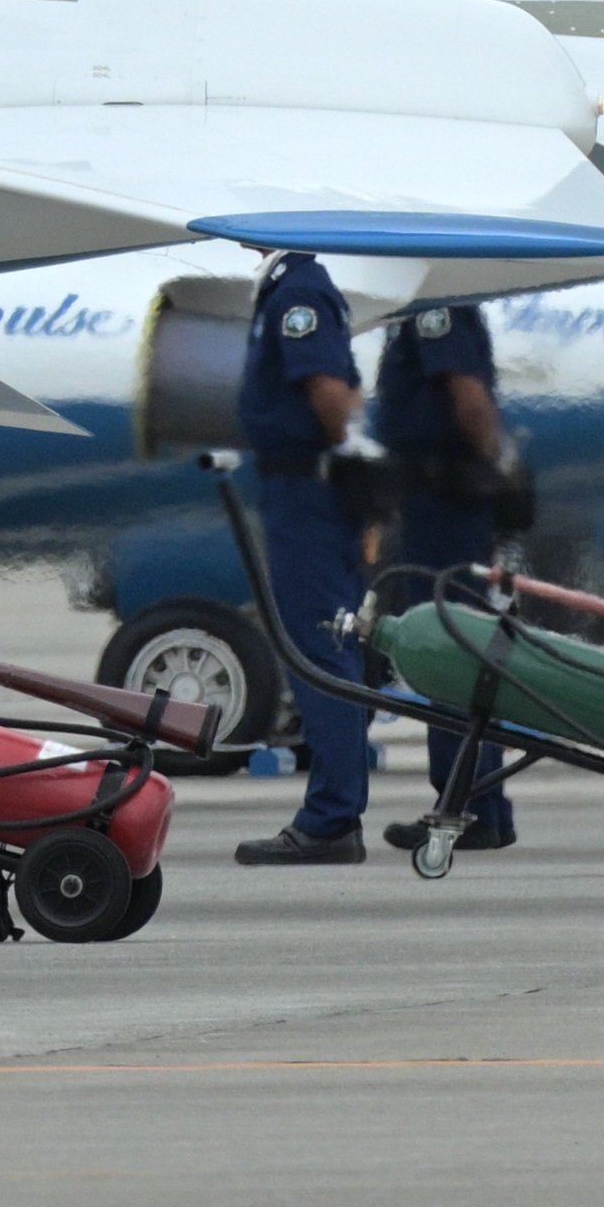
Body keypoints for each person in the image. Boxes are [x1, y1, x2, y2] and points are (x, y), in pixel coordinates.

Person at [230, 252, 375, 865]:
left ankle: (331, 818)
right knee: (326, 643)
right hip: (305, 489)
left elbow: (327, 390)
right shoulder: (295, 289)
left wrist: (347, 457)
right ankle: (333, 808)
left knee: (319, 648)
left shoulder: (299, 293)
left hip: (307, 493)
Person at [372, 297, 521, 856]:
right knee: (468, 655)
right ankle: (483, 806)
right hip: (441, 500)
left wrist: (494, 466)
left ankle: (464, 808)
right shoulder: (437, 304)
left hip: (444, 502)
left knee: (446, 652)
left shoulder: (438, 307)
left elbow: (467, 396)